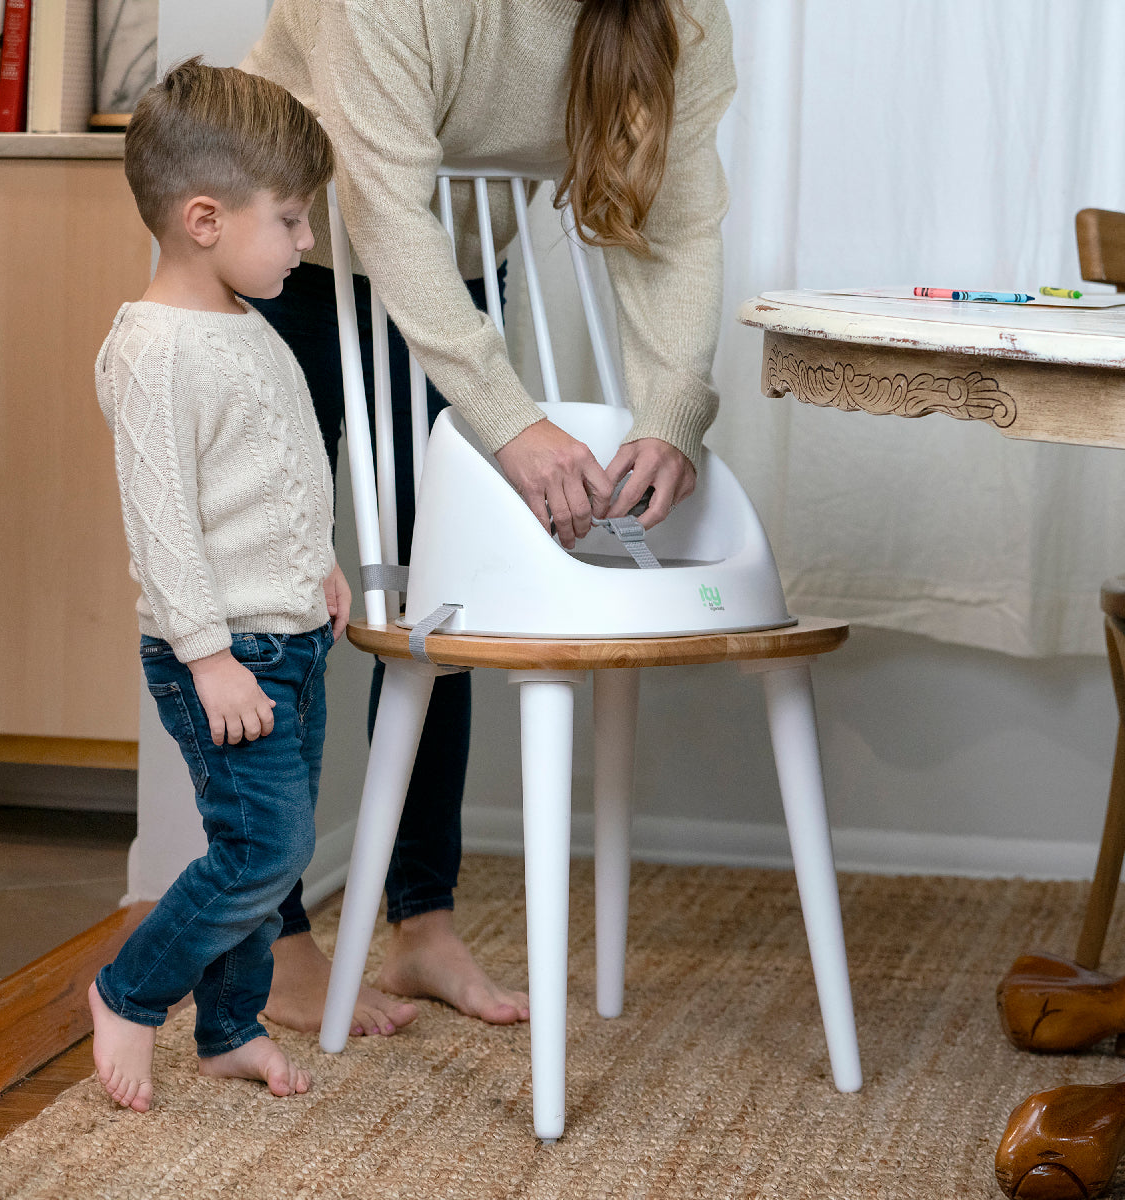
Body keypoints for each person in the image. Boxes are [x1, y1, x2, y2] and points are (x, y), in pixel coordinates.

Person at [244, 0, 737, 1037]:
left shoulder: (680, 11)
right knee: (273, 605)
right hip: (280, 253)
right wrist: (511, 420)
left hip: (447, 277)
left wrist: (672, 411)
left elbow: (679, 218)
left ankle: (423, 926)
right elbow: (377, 202)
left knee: (444, 601)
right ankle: (271, 939)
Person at [88, 58, 351, 1112]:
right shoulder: (153, 351)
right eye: (289, 219)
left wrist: (318, 561)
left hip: (291, 634)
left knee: (269, 861)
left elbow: (271, 474)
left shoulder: (248, 325)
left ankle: (229, 1029)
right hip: (225, 649)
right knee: (264, 847)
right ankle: (130, 991)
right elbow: (165, 525)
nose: (306, 241)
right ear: (204, 217)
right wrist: (207, 659)